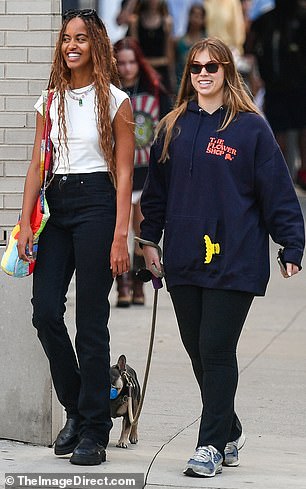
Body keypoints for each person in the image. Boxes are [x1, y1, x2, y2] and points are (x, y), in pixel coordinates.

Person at [139, 37, 304, 478]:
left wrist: (292, 244)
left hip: (237, 257)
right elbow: (155, 195)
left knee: (215, 347)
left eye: (213, 66)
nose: (204, 74)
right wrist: (148, 241)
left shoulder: (252, 128)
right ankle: (228, 427)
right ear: (188, 75)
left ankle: (209, 445)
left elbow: (278, 192)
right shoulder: (171, 126)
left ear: (228, 71)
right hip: (184, 258)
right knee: (197, 350)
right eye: (196, 68)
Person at [17, 9, 134, 466]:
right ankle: (77, 406)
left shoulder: (115, 101)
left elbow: (124, 174)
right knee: (45, 311)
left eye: (81, 38)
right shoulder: (49, 102)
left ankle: (94, 431)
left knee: (91, 319)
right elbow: (36, 165)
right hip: (57, 206)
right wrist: (25, 221)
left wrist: (121, 233)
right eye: (67, 38)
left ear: (95, 46)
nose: (72, 45)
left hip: (98, 205)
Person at [113, 36, 171, 306]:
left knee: (141, 228)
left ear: (139, 62)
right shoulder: (109, 92)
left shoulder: (155, 89)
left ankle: (138, 283)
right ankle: (122, 285)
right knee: (120, 230)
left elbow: (168, 127)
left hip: (147, 171)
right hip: (119, 171)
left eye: (131, 62)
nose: (126, 68)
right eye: (121, 63)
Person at [250, 0, 306, 186]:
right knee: (277, 131)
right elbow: (250, 47)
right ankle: (280, 176)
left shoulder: (301, 16)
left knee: (302, 129)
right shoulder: (266, 20)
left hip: (300, 85)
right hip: (275, 86)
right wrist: (257, 76)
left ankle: (302, 173)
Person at [128, 0, 175, 93]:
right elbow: (135, 50)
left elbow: (169, 56)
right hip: (142, 73)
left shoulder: (167, 21)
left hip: (161, 72)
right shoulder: (135, 21)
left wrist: (172, 78)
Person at [175, 4, 207, 89]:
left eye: (199, 16)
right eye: (194, 15)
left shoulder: (207, 42)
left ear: (203, 19)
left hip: (200, 84)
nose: (196, 19)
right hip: (181, 83)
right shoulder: (179, 41)